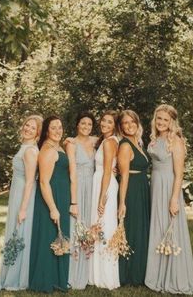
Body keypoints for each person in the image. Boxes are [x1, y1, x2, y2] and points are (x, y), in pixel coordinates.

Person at [145, 104, 193, 294]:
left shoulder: (176, 141)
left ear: (172, 122)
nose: (161, 122)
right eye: (159, 118)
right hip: (155, 187)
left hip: (169, 188)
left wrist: (174, 199)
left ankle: (174, 276)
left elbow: (179, 174)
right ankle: (157, 274)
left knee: (170, 229)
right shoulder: (155, 139)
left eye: (165, 119)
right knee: (158, 228)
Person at [0, 115, 43, 292]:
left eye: (33, 128)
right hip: (17, 192)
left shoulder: (30, 151)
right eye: (26, 125)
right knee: (16, 232)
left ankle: (16, 278)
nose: (28, 129)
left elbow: (31, 181)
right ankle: (11, 271)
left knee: (20, 232)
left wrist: (23, 208)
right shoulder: (25, 147)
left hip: (24, 195)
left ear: (38, 133)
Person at [29, 115, 71, 293]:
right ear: (46, 130)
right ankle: (45, 280)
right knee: (49, 236)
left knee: (59, 237)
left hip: (61, 195)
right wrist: (53, 208)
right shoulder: (47, 150)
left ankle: (57, 278)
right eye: (53, 127)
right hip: (51, 198)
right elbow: (44, 182)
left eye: (60, 127)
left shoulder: (58, 146)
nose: (58, 131)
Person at [118, 110, 150, 286]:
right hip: (132, 191)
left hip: (142, 189)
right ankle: (131, 274)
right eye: (125, 123)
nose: (129, 125)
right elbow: (124, 176)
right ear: (121, 127)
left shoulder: (137, 142)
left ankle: (142, 271)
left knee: (141, 230)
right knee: (133, 231)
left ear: (137, 123)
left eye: (132, 122)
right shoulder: (125, 145)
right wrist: (122, 202)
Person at [89, 110, 120, 290]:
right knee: (99, 225)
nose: (105, 124)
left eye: (109, 122)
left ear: (115, 126)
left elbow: (108, 170)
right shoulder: (106, 140)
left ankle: (106, 275)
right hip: (101, 182)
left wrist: (102, 197)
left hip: (104, 185)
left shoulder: (109, 142)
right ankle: (97, 273)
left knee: (104, 226)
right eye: (103, 121)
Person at [67, 112, 97, 289]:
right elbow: (72, 172)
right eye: (83, 123)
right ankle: (73, 272)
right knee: (76, 227)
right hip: (77, 186)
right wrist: (74, 201)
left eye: (89, 124)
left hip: (91, 188)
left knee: (88, 226)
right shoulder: (71, 143)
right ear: (77, 125)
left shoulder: (94, 142)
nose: (86, 126)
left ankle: (86, 271)